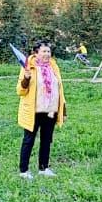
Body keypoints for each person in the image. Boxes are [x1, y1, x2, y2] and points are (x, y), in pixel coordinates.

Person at [17, 43, 66, 179]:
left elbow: (60, 89)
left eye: (49, 51)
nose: (47, 54)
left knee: (46, 140)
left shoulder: (53, 66)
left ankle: (43, 168)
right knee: (29, 140)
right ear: (36, 53)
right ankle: (24, 171)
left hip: (50, 110)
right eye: (44, 51)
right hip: (34, 111)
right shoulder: (28, 67)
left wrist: (63, 110)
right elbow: (20, 91)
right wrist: (26, 78)